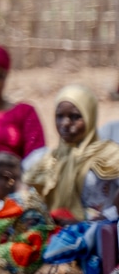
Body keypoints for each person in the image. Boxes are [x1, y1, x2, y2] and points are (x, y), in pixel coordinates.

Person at [25, 84, 119, 223]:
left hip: (98, 234)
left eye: (75, 116)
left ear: (89, 116)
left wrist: (109, 215)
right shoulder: (49, 160)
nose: (66, 123)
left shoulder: (108, 155)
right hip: (60, 235)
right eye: (59, 116)